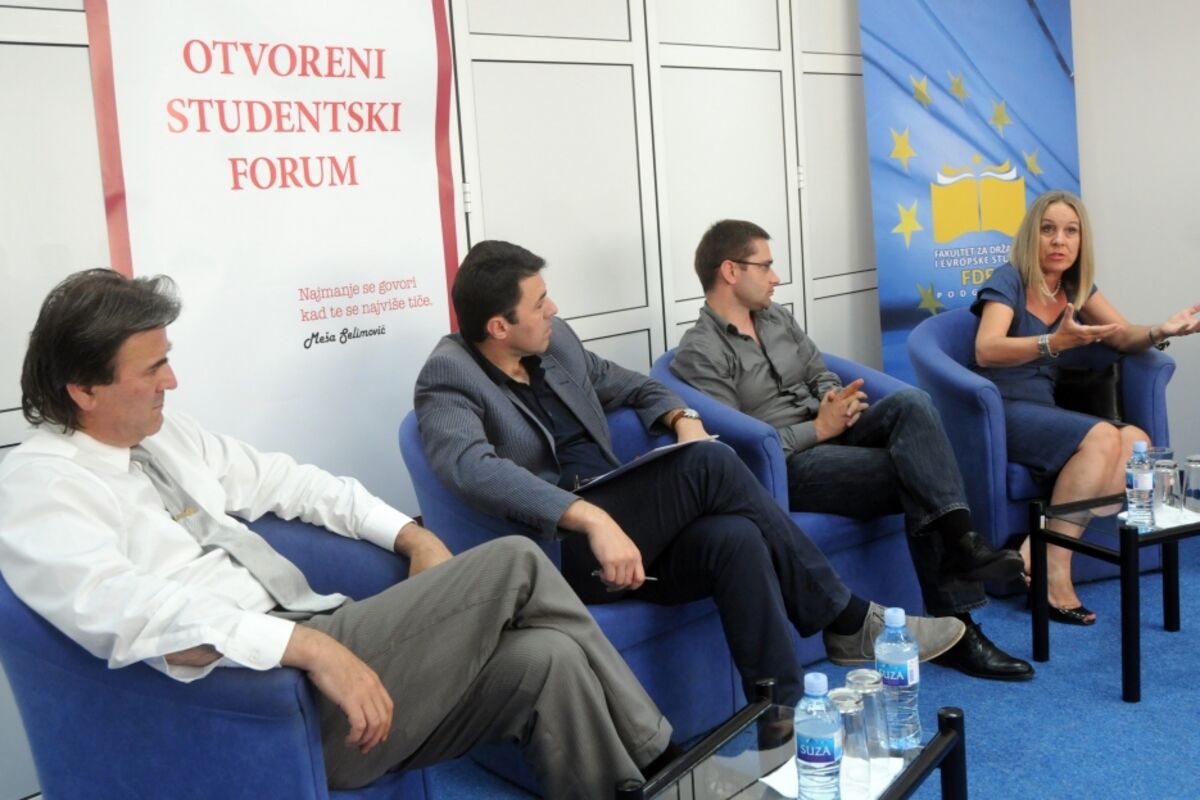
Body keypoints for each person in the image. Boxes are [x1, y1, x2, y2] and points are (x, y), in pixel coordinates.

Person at [0, 269, 677, 800]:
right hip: (262, 696)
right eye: (152, 369)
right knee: (514, 563)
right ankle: (661, 754)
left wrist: (411, 536)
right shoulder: (40, 487)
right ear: (83, 389)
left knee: (546, 660)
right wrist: (307, 647)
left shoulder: (165, 436)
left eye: (166, 360)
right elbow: (124, 612)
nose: (171, 382)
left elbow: (293, 483)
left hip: (319, 641)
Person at [414, 239, 966, 708]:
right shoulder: (449, 377)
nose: (553, 309)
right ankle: (845, 617)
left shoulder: (556, 345)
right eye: (539, 304)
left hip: (628, 521)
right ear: (498, 326)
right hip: (563, 547)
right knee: (710, 462)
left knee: (736, 537)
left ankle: (781, 718)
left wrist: (684, 419)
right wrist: (589, 518)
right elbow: (473, 469)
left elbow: (639, 386)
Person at [670, 219, 1033, 682]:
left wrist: (833, 399)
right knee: (920, 473)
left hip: (834, 429)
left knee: (912, 403)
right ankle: (960, 627)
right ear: (730, 271)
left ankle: (964, 543)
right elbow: (740, 449)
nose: (776, 277)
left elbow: (818, 369)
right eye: (766, 266)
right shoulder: (699, 352)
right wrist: (818, 429)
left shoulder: (775, 316)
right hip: (792, 463)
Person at [971, 190, 1200, 624]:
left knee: (1135, 441)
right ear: (1032, 236)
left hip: (1044, 408)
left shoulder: (1075, 287)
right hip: (999, 409)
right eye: (1048, 229)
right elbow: (986, 348)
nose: (1060, 240)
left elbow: (1121, 335)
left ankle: (1033, 548)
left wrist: (1161, 330)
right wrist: (1052, 342)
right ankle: (1056, 572)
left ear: (1081, 240)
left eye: (1070, 231)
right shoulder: (1009, 280)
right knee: (1101, 438)